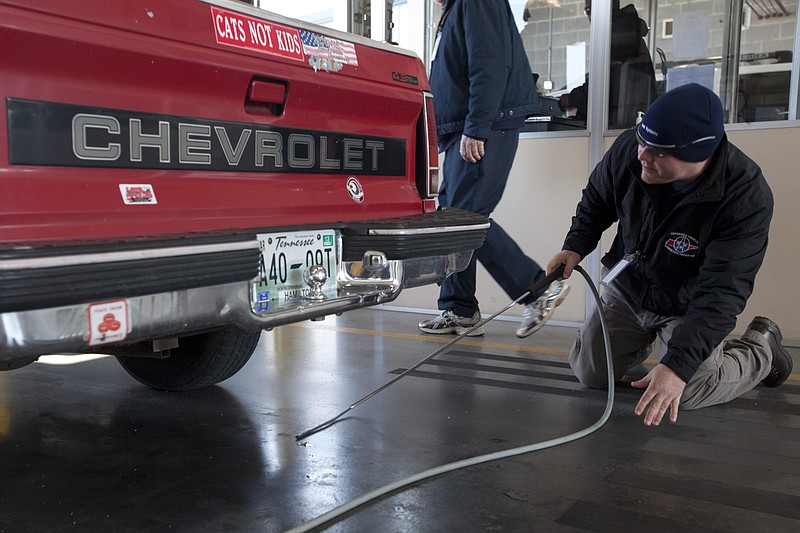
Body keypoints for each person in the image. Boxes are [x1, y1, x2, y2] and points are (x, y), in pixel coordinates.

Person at [546, 83, 793, 426]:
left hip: (686, 304)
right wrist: (574, 246)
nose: (642, 155)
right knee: (589, 373)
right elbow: (597, 201)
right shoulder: (630, 149)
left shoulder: (745, 196)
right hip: (631, 287)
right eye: (642, 140)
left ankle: (761, 349)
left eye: (658, 151)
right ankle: (646, 344)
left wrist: (677, 367)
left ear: (699, 154)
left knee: (687, 390)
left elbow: (722, 293)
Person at [419, 0, 569, 338]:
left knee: (465, 219)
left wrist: (476, 127)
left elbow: (489, 64)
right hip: (465, 127)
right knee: (452, 219)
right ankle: (459, 309)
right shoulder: (456, 8)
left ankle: (539, 289)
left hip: (485, 125)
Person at [558, 0, 658, 129]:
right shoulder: (627, 31)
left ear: (612, 4)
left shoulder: (620, 35)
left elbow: (601, 86)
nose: (591, 16)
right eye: (587, 11)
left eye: (591, 10)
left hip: (619, 124)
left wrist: (570, 99)